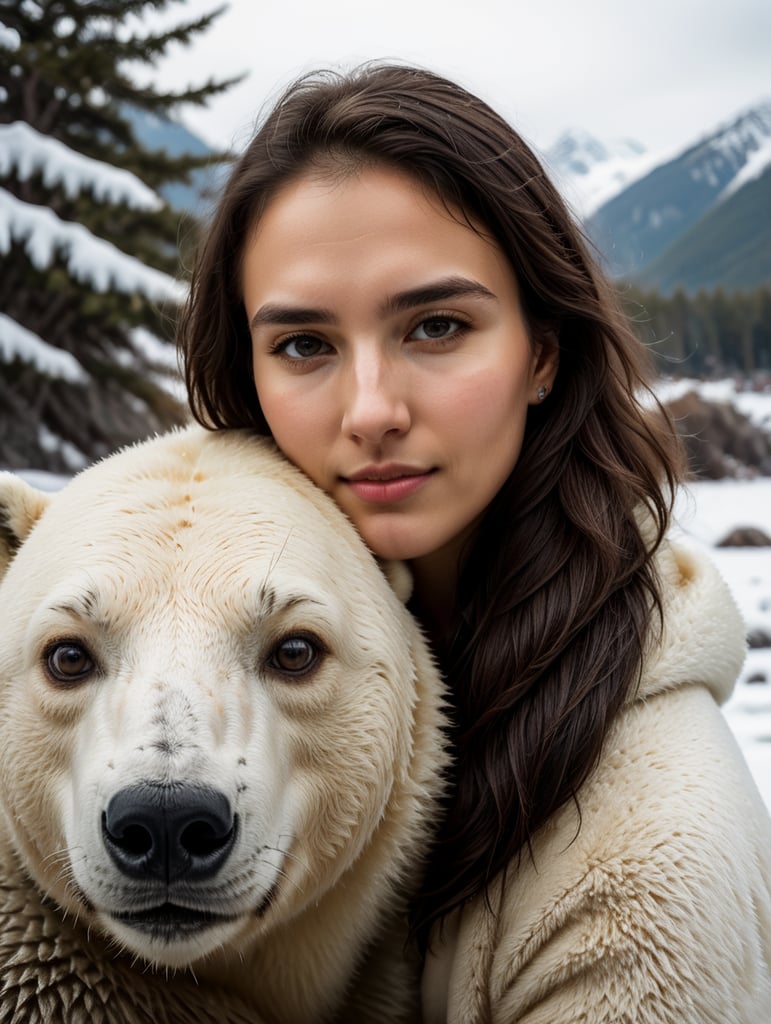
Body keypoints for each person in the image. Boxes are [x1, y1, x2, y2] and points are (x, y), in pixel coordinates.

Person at [177, 64, 771, 1023]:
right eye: (304, 345)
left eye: (436, 326)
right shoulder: (185, 678)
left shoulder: (648, 858)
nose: (371, 411)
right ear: (245, 372)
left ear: (542, 350)